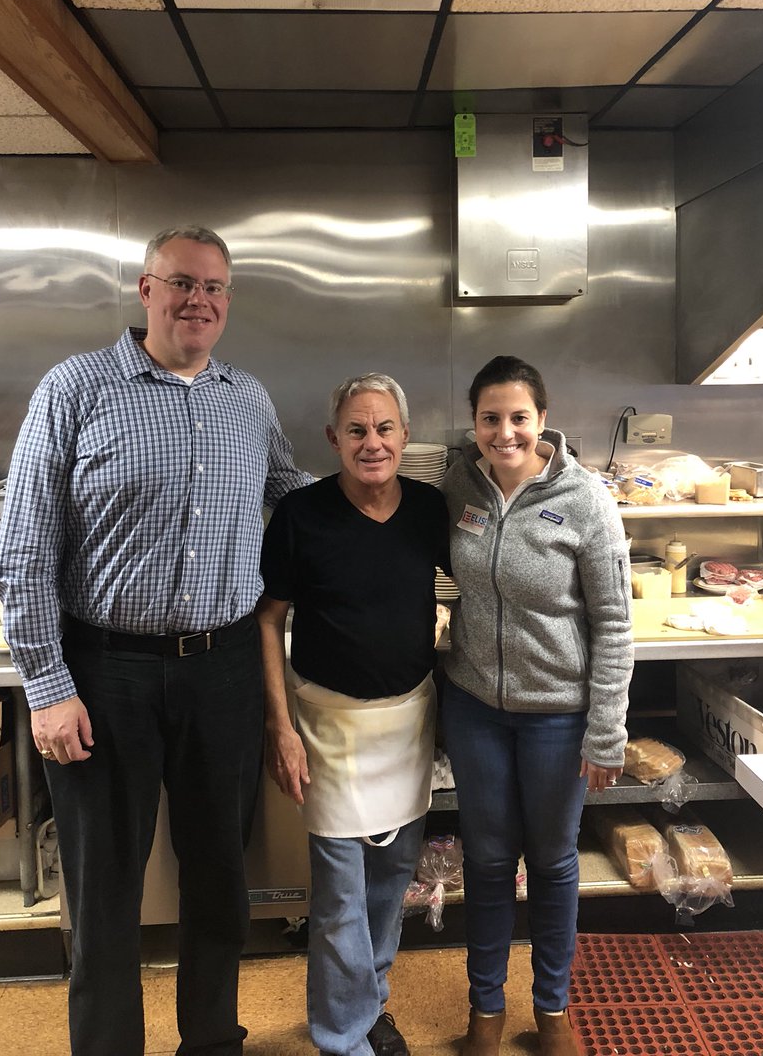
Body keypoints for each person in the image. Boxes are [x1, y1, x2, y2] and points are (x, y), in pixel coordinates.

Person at [0, 225, 312, 1056]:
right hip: (106, 672)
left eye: (214, 287)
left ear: (228, 300)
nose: (198, 300)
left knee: (219, 878)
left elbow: (295, 496)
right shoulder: (76, 388)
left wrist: (386, 493)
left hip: (224, 667)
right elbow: (22, 553)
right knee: (104, 892)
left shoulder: (247, 398)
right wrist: (48, 687)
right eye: (182, 283)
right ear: (146, 290)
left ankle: (211, 1041)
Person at [440, 355, 633, 1056]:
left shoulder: (585, 500)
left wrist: (606, 731)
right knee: (488, 862)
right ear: (474, 423)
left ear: (543, 420)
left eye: (518, 417)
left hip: (558, 714)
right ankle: (485, 1012)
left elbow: (614, 623)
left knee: (552, 862)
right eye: (489, 418)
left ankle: (552, 1011)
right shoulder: (459, 483)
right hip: (474, 708)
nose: (505, 433)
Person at [255, 373, 450, 1056]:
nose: (373, 443)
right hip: (328, 727)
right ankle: (342, 1038)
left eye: (385, 429)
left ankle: (368, 1007)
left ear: (405, 436)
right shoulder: (301, 515)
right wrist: (280, 727)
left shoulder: (428, 508)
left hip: (408, 723)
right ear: (334, 439)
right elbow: (268, 619)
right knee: (340, 894)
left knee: (390, 885)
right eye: (358, 430)